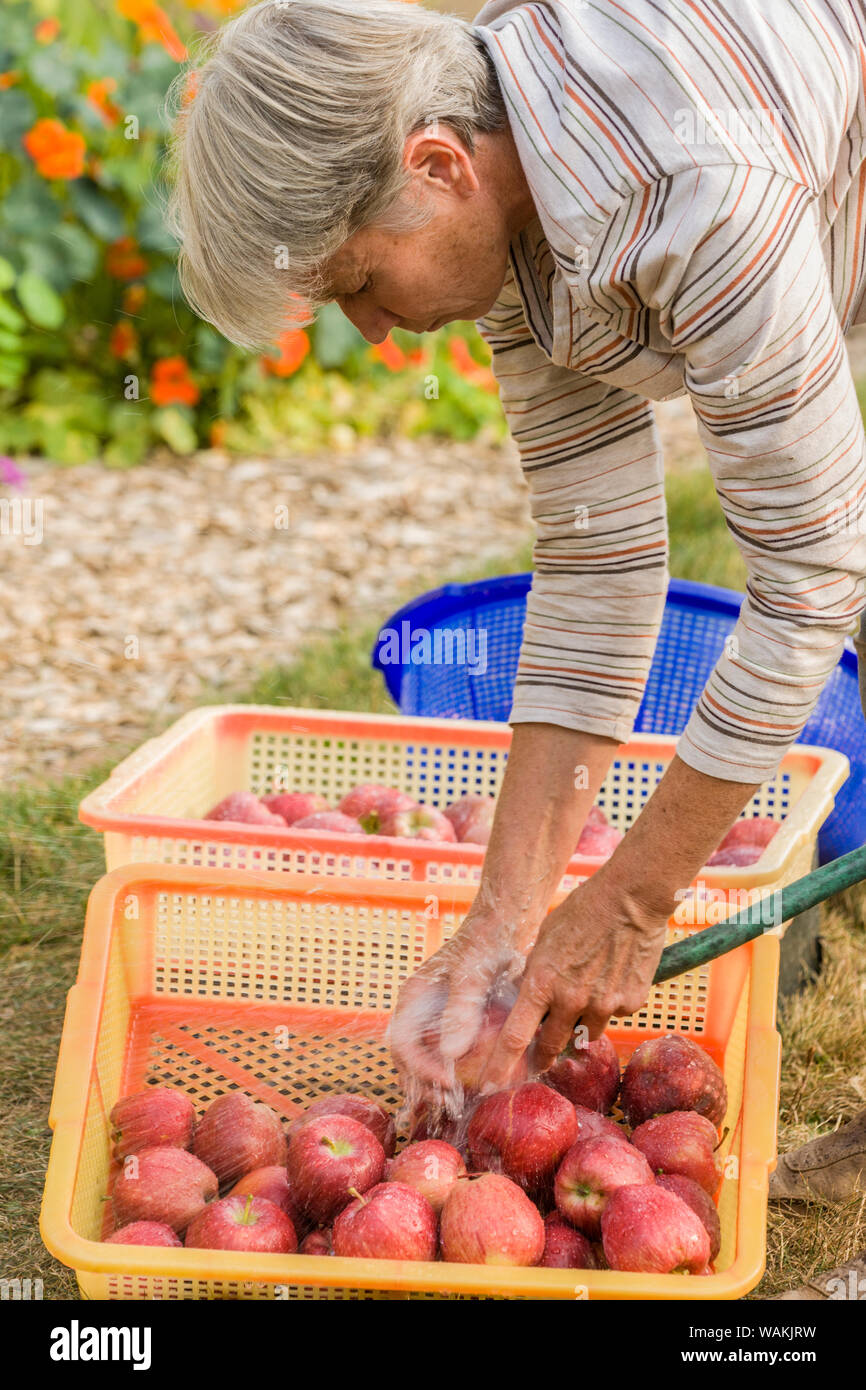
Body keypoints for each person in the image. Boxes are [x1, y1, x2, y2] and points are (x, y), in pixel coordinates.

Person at [167, 0, 866, 1176]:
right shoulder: (500, 173)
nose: (372, 328)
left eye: (358, 281)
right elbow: (595, 561)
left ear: (435, 165)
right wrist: (503, 922)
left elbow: (806, 581)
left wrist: (633, 900)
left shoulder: (692, 187)